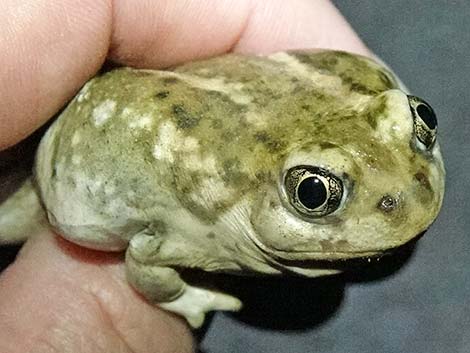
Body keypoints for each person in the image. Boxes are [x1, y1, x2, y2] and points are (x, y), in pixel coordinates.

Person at [0, 1, 370, 352]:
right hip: (46, 174)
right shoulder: (213, 204)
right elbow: (146, 259)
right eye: (314, 192)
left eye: (421, 125)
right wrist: (179, 295)